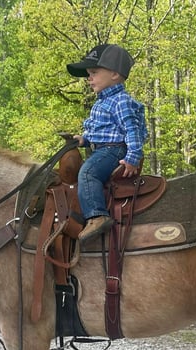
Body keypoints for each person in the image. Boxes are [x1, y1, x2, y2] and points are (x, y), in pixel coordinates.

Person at [67, 44, 148, 242]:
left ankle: (96, 216)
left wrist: (133, 157)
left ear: (114, 74)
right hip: (103, 149)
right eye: (88, 74)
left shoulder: (120, 101)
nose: (89, 78)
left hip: (114, 151)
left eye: (94, 72)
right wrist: (83, 140)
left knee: (87, 173)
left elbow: (132, 130)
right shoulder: (102, 102)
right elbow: (101, 132)